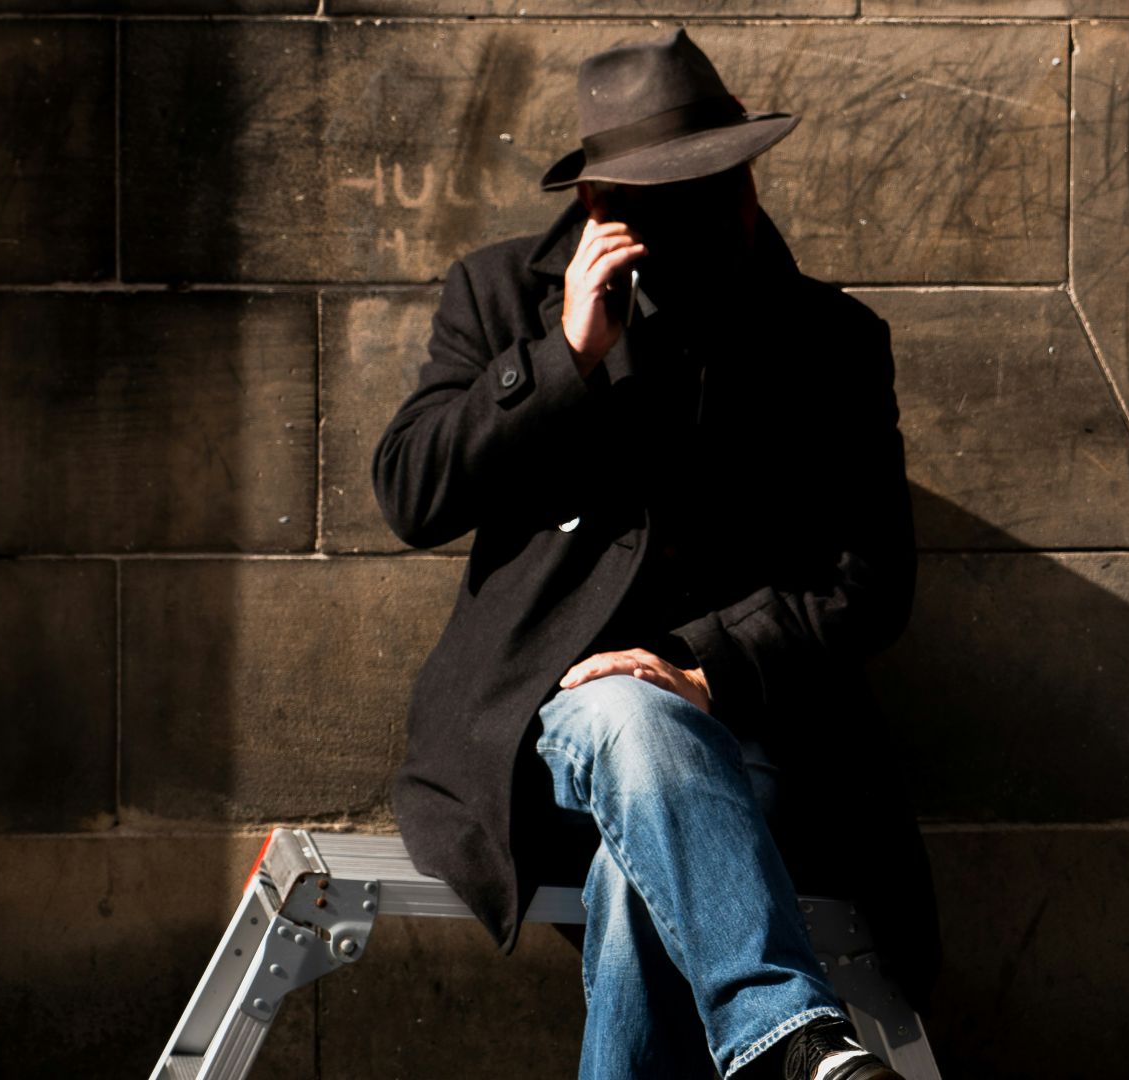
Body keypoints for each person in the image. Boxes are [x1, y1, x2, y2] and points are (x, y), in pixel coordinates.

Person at [370, 27, 938, 1080]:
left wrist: (702, 662)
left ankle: (783, 1040)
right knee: (626, 713)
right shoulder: (502, 298)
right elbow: (410, 492)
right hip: (543, 735)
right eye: (664, 197)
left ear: (750, 179)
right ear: (598, 208)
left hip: (754, 735)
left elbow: (870, 581)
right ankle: (788, 1035)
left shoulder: (829, 340)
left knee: (649, 871)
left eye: (721, 182)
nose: (713, 213)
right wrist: (562, 360)